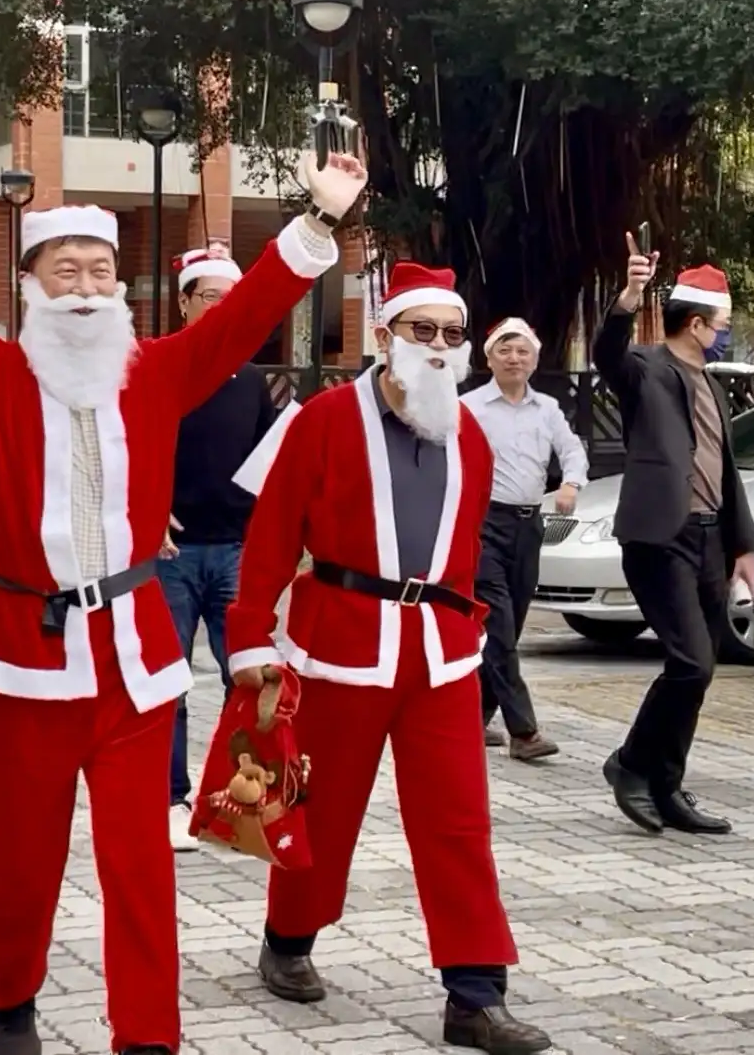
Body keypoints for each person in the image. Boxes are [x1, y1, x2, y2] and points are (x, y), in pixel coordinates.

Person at [0, 134, 366, 1055]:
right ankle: (11, 1004)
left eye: (100, 271)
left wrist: (318, 219)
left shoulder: (154, 370)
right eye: (64, 269)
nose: (83, 285)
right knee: (20, 861)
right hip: (22, 655)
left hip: (134, 661)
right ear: (31, 284)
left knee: (141, 866)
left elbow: (243, 319)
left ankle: (148, 1034)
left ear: (121, 287)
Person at [223, 262, 550, 1054]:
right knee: (323, 814)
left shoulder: (468, 434)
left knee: (459, 823)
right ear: (385, 336)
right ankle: (288, 940)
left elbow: (464, 548)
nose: (439, 347)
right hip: (338, 646)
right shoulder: (322, 419)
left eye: (451, 333)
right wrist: (248, 638)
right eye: (421, 330)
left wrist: (474, 627)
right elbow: (271, 539)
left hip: (438, 654)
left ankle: (474, 993)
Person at [592, 251, 754, 836]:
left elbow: (726, 469)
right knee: (689, 662)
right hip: (660, 539)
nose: (726, 335)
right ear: (697, 325)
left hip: (711, 538)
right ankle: (631, 764)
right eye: (723, 325)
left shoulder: (712, 385)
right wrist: (630, 295)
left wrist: (743, 545)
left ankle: (667, 784)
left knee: (701, 668)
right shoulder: (644, 370)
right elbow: (605, 354)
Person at [159, 239, 281, 851]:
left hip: (237, 550)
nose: (222, 307)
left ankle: (243, 796)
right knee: (169, 682)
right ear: (184, 304)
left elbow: (267, 465)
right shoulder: (162, 367)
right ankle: (173, 799)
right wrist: (148, 515)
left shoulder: (253, 381)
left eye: (232, 299)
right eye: (210, 297)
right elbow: (132, 452)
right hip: (172, 556)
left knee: (254, 681)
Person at [460, 316, 586, 761]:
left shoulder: (547, 409)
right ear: (488, 357)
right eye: (505, 350)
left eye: (523, 352)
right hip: (483, 526)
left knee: (511, 618)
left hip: (529, 525)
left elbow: (572, 450)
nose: (514, 359)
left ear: (534, 359)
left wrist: (571, 484)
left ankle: (474, 719)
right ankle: (523, 731)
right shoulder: (470, 407)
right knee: (500, 627)